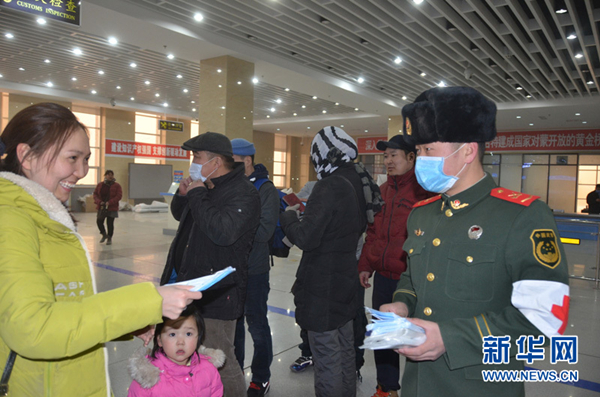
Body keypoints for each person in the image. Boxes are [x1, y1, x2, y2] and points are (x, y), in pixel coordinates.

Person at [0, 102, 202, 396]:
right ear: (27, 156)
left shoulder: (41, 215)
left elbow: (64, 308)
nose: (81, 171)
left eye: (86, 159)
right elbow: (34, 329)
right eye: (72, 158)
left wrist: (130, 321)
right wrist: (147, 302)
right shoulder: (10, 219)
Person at [380, 86, 570, 397]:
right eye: (420, 151)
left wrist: (450, 337)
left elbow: (545, 317)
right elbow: (413, 278)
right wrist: (402, 304)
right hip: (418, 384)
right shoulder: (422, 214)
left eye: (429, 150)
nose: (421, 160)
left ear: (468, 151)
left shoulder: (522, 216)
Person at [280, 126, 382, 397]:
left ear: (325, 155)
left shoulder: (330, 185)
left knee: (326, 356)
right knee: (345, 351)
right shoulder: (359, 182)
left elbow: (306, 237)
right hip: (346, 278)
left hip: (321, 285)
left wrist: (289, 217)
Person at [160, 131, 261, 397]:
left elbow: (223, 232)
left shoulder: (243, 193)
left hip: (218, 293)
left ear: (216, 162)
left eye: (197, 157)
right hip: (188, 285)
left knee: (220, 358)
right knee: (191, 354)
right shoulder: (206, 187)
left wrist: (197, 195)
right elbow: (183, 217)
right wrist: (184, 196)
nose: (193, 162)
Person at [358, 135, 433, 397]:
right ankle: (386, 388)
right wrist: (366, 264)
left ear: (412, 157)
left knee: (416, 337)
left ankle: (418, 389)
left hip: (412, 279)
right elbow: (374, 231)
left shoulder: (425, 191)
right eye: (386, 156)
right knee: (385, 336)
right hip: (384, 276)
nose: (388, 161)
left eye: (394, 155)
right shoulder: (383, 191)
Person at [231, 138, 280, 397]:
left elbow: (264, 231)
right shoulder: (229, 186)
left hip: (255, 270)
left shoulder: (265, 189)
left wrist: (232, 227)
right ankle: (235, 373)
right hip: (231, 270)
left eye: (233, 161)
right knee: (234, 326)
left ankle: (261, 376)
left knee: (257, 325)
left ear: (247, 160)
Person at [127, 306, 224, 397]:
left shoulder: (209, 369)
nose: (180, 342)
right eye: (172, 334)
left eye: (188, 334)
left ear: (198, 338)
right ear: (159, 340)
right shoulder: (147, 380)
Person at [93, 169, 122, 245]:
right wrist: (99, 202)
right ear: (105, 175)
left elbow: (119, 196)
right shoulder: (100, 185)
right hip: (102, 207)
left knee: (110, 223)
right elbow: (95, 194)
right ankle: (103, 234)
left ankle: (109, 238)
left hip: (112, 207)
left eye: (111, 175)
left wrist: (110, 202)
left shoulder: (117, 185)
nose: (110, 176)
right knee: (99, 221)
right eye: (108, 174)